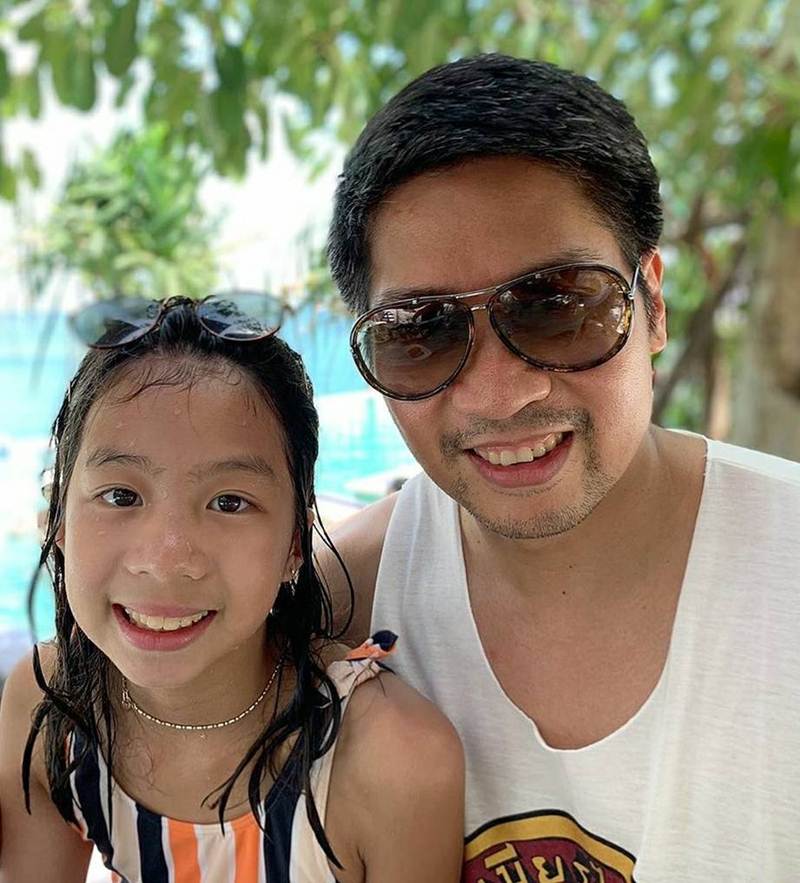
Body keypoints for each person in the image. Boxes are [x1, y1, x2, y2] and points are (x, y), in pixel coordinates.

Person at [323, 53, 800, 880]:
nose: (500, 394)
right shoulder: (341, 603)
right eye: (421, 330)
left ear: (653, 303)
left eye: (559, 306)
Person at [0, 296, 464, 882]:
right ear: (58, 521)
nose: (166, 560)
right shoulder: (53, 705)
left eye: (229, 502)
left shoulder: (390, 758)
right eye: (121, 496)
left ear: (295, 544)